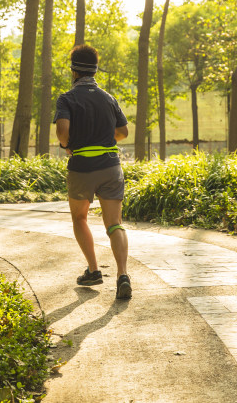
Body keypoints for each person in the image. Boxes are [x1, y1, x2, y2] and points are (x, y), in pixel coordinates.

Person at [54, 44, 132, 299]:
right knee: (114, 224)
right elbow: (123, 133)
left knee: (80, 218)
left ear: (73, 71)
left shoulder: (67, 98)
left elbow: (62, 132)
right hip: (111, 166)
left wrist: (67, 145)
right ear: (95, 70)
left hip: (82, 168)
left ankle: (94, 270)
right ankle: (123, 275)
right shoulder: (109, 98)